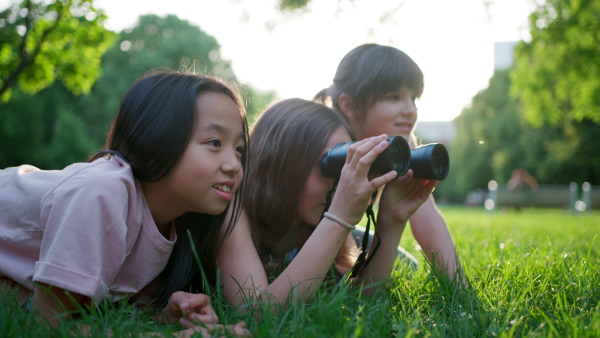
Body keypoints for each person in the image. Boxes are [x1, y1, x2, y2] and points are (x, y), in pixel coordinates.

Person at [0, 71, 250, 336]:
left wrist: (165, 318)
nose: (234, 165)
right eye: (214, 143)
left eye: (239, 149)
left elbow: (100, 313)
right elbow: (48, 328)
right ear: (154, 143)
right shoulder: (100, 194)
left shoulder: (169, 223)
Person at [212, 98, 436, 310]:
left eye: (346, 168)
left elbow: (365, 302)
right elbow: (256, 311)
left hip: (357, 237)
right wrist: (339, 218)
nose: (340, 184)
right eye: (327, 164)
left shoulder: (313, 224)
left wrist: (391, 221)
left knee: (409, 265)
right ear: (280, 164)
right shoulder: (234, 209)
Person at [314, 43, 467, 284]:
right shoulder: (327, 140)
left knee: (408, 265)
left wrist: (460, 289)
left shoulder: (404, 146)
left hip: (344, 235)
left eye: (414, 98)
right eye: (394, 97)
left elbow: (427, 218)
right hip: (302, 240)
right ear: (348, 105)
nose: (410, 110)